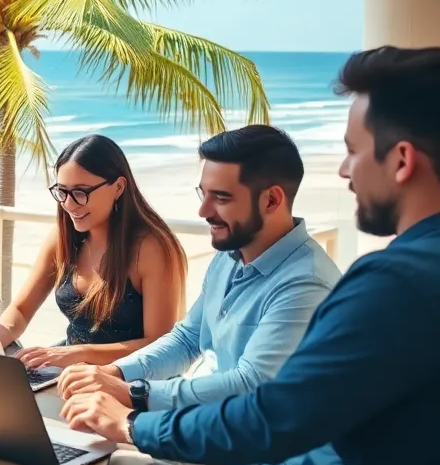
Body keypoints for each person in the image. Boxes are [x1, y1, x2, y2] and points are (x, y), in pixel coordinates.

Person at [0, 46, 440, 465]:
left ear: (402, 160)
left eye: (352, 151)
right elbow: (191, 340)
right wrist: (122, 383)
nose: (343, 169)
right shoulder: (404, 275)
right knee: (81, 447)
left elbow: (270, 414)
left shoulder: (391, 282)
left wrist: (133, 417)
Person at [55, 125, 341, 414]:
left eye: (221, 198)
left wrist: (135, 394)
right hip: (201, 427)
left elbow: (249, 384)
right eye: (202, 194)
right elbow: (187, 339)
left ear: (271, 200)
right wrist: (114, 373)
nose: (203, 212)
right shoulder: (230, 256)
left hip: (249, 449)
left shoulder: (306, 284)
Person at [0, 135, 186, 368]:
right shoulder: (62, 240)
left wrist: (79, 354)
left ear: (118, 187)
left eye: (81, 192)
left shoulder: (150, 250)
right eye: (62, 192)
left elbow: (160, 346)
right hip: (71, 370)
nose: (68, 204)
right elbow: (20, 310)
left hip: (129, 381)